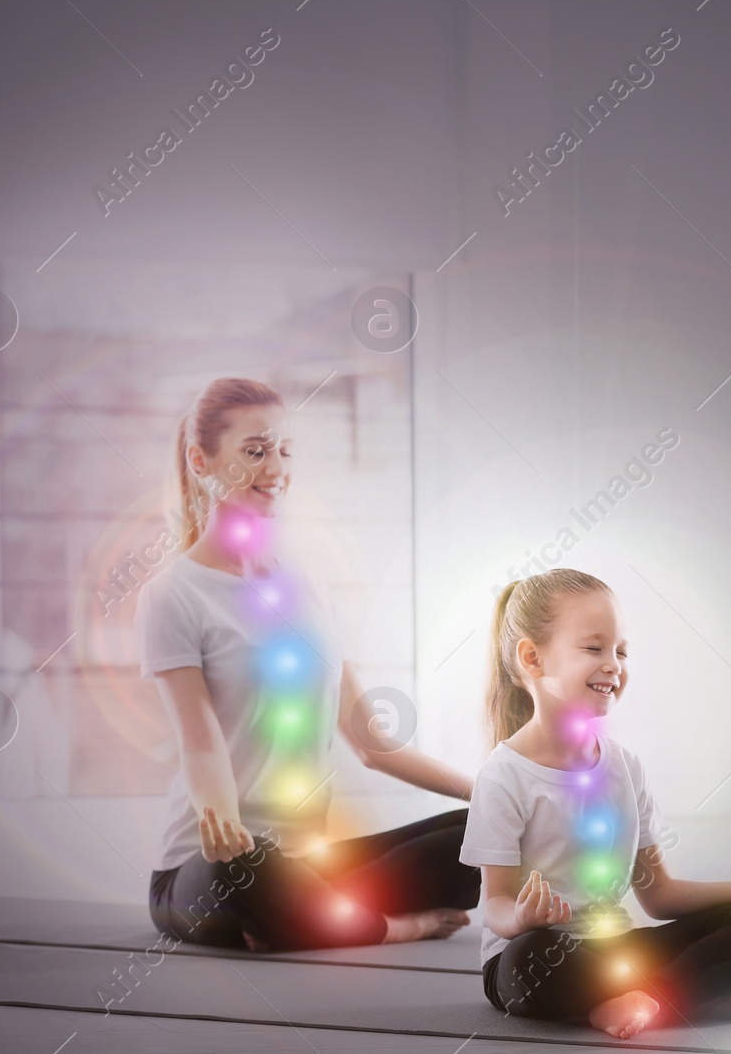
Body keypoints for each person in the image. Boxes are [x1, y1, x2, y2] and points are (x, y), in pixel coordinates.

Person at [139, 376, 477, 952]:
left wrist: (492, 793)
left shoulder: (310, 589)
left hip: (311, 866)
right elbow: (201, 744)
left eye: (285, 450)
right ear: (201, 461)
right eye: (254, 450)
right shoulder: (173, 593)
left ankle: (303, 918)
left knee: (499, 835)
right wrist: (221, 817)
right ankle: (387, 926)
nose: (275, 467)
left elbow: (374, 745)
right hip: (210, 871)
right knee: (248, 869)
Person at [460, 568, 731, 1039]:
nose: (614, 664)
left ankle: (648, 999)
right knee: (528, 957)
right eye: (594, 648)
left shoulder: (626, 767)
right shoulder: (503, 775)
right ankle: (683, 994)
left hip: (616, 952)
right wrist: (521, 917)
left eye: (621, 651)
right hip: (535, 956)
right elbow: (495, 904)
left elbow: (660, 895)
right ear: (532, 658)